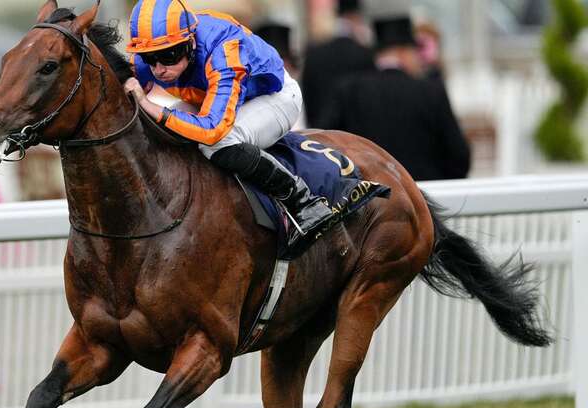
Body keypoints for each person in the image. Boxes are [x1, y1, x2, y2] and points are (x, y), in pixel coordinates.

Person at [124, 0, 335, 253]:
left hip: (272, 97)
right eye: (150, 58)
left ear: (190, 42)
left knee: (216, 144)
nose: (159, 69)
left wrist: (152, 106)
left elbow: (213, 129)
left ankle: (302, 200)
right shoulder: (153, 55)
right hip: (210, 98)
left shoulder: (224, 52)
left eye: (169, 56)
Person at [316, 15, 471, 181]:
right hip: (424, 199)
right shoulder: (431, 91)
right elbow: (459, 158)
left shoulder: (348, 91)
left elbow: (323, 146)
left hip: (369, 201)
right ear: (404, 52)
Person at [301, 0, 375, 128]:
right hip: (356, 137)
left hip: (321, 136)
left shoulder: (314, 54)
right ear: (356, 16)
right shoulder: (364, 54)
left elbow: (308, 97)